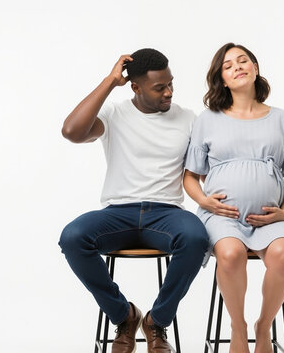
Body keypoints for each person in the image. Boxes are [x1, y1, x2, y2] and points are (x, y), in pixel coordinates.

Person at [59, 48, 209, 353]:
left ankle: (157, 321)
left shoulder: (188, 118)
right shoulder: (114, 114)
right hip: (119, 213)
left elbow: (202, 171)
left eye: (171, 84)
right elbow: (72, 131)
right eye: (159, 88)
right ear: (135, 87)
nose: (169, 92)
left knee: (195, 237)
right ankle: (125, 316)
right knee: (72, 237)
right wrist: (108, 81)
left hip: (166, 215)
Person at [183, 43, 284, 353]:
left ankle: (263, 327)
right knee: (230, 255)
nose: (237, 66)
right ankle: (238, 328)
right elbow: (189, 177)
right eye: (228, 65)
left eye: (243, 61)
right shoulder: (208, 119)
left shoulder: (281, 119)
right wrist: (205, 202)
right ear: (222, 79)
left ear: (255, 68)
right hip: (222, 217)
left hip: (270, 217)